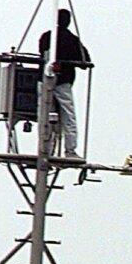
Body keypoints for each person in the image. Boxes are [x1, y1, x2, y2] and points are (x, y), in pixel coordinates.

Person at [39, 8, 91, 159]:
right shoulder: (72, 40)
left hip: (43, 80)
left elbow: (42, 53)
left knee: (44, 115)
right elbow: (85, 62)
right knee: (68, 115)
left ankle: (45, 150)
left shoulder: (46, 37)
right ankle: (70, 150)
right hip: (64, 82)